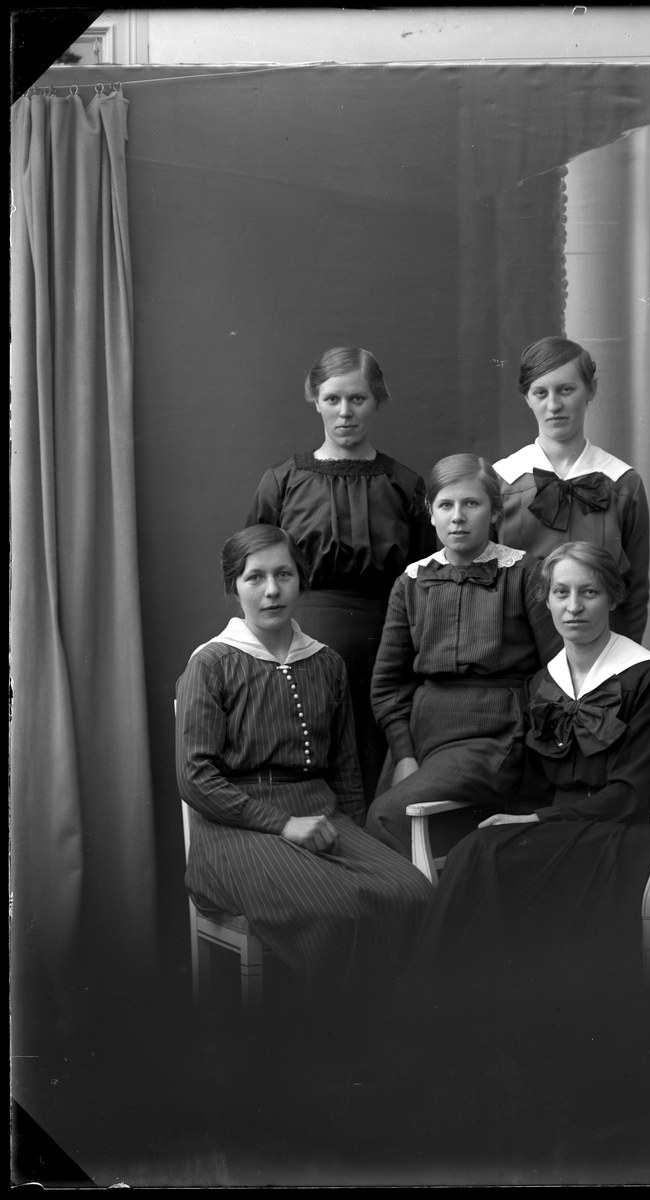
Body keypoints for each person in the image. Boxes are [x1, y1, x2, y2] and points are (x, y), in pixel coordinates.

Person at [408, 541, 650, 992]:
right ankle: (455, 999)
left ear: (613, 599)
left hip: (626, 828)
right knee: (474, 850)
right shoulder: (542, 682)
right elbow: (531, 780)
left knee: (487, 855)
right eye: (561, 593)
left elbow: (633, 792)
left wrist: (537, 820)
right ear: (548, 600)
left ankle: (468, 996)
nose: (573, 607)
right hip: (556, 825)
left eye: (589, 592)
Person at [175, 525, 433, 994]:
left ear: (301, 580)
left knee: (413, 891)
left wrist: (357, 840)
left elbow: (346, 768)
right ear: (234, 586)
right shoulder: (211, 665)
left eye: (284, 574)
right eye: (255, 577)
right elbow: (195, 779)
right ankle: (337, 1032)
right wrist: (282, 823)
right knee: (337, 909)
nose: (272, 590)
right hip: (233, 832)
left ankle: (393, 1029)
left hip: (321, 815)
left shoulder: (326, 663)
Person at [246, 347, 434, 803]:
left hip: (384, 652)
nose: (345, 412)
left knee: (374, 775)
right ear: (315, 400)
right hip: (297, 646)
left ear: (377, 401)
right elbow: (252, 575)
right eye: (332, 399)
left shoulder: (405, 485)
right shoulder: (282, 482)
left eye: (358, 399)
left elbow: (426, 584)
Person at [365, 454, 561, 859]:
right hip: (422, 738)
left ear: (495, 511)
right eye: (446, 505)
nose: (457, 517)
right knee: (372, 832)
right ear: (431, 513)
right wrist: (404, 754)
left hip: (495, 736)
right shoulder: (411, 582)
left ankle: (434, 900)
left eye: (471, 503)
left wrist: (527, 731)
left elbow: (558, 669)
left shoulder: (524, 573)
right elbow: (388, 684)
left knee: (389, 815)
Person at [493, 336, 650, 643]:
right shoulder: (501, 481)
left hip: (600, 652)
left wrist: (623, 662)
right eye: (541, 392)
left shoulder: (623, 483)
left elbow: (635, 589)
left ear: (590, 390)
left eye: (566, 390)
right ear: (526, 397)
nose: (554, 406)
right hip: (518, 653)